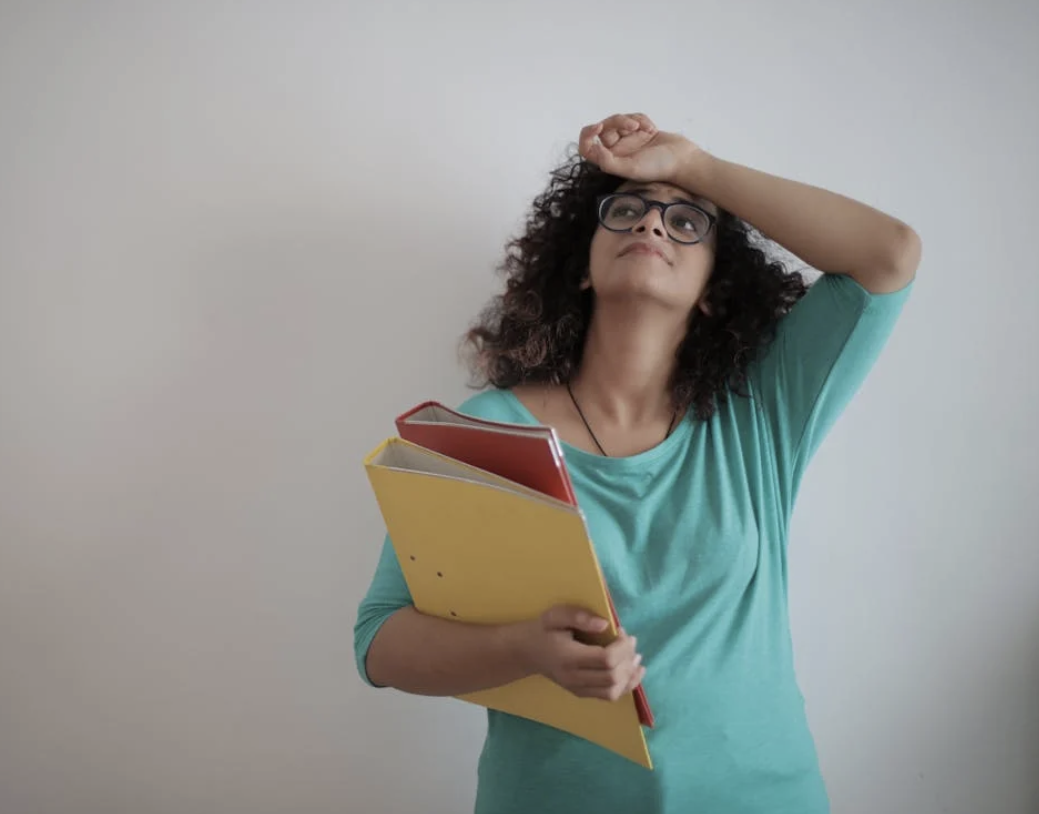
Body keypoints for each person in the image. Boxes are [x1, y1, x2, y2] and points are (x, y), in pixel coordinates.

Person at [352, 111, 920, 814]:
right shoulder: (486, 431)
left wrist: (691, 166)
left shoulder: (762, 410)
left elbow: (888, 255)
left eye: (686, 222)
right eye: (626, 211)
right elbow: (380, 642)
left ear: (713, 289)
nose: (651, 223)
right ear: (581, 268)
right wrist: (525, 650)